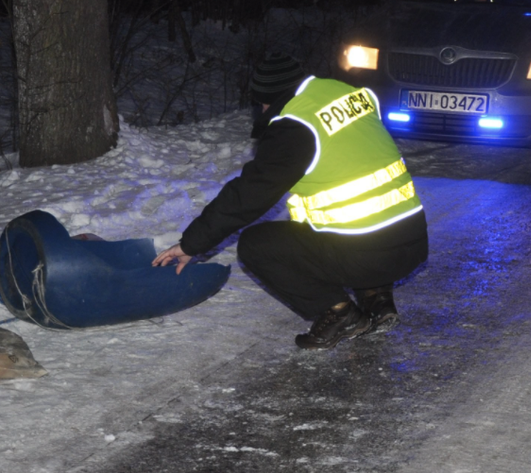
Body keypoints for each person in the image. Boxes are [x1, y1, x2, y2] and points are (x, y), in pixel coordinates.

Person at [152, 53, 429, 349]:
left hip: (367, 255)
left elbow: (247, 196)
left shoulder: (295, 126)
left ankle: (340, 312)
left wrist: (190, 244)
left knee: (256, 245)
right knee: (358, 222)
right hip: (413, 242)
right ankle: (377, 298)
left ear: (266, 100)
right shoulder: (346, 92)